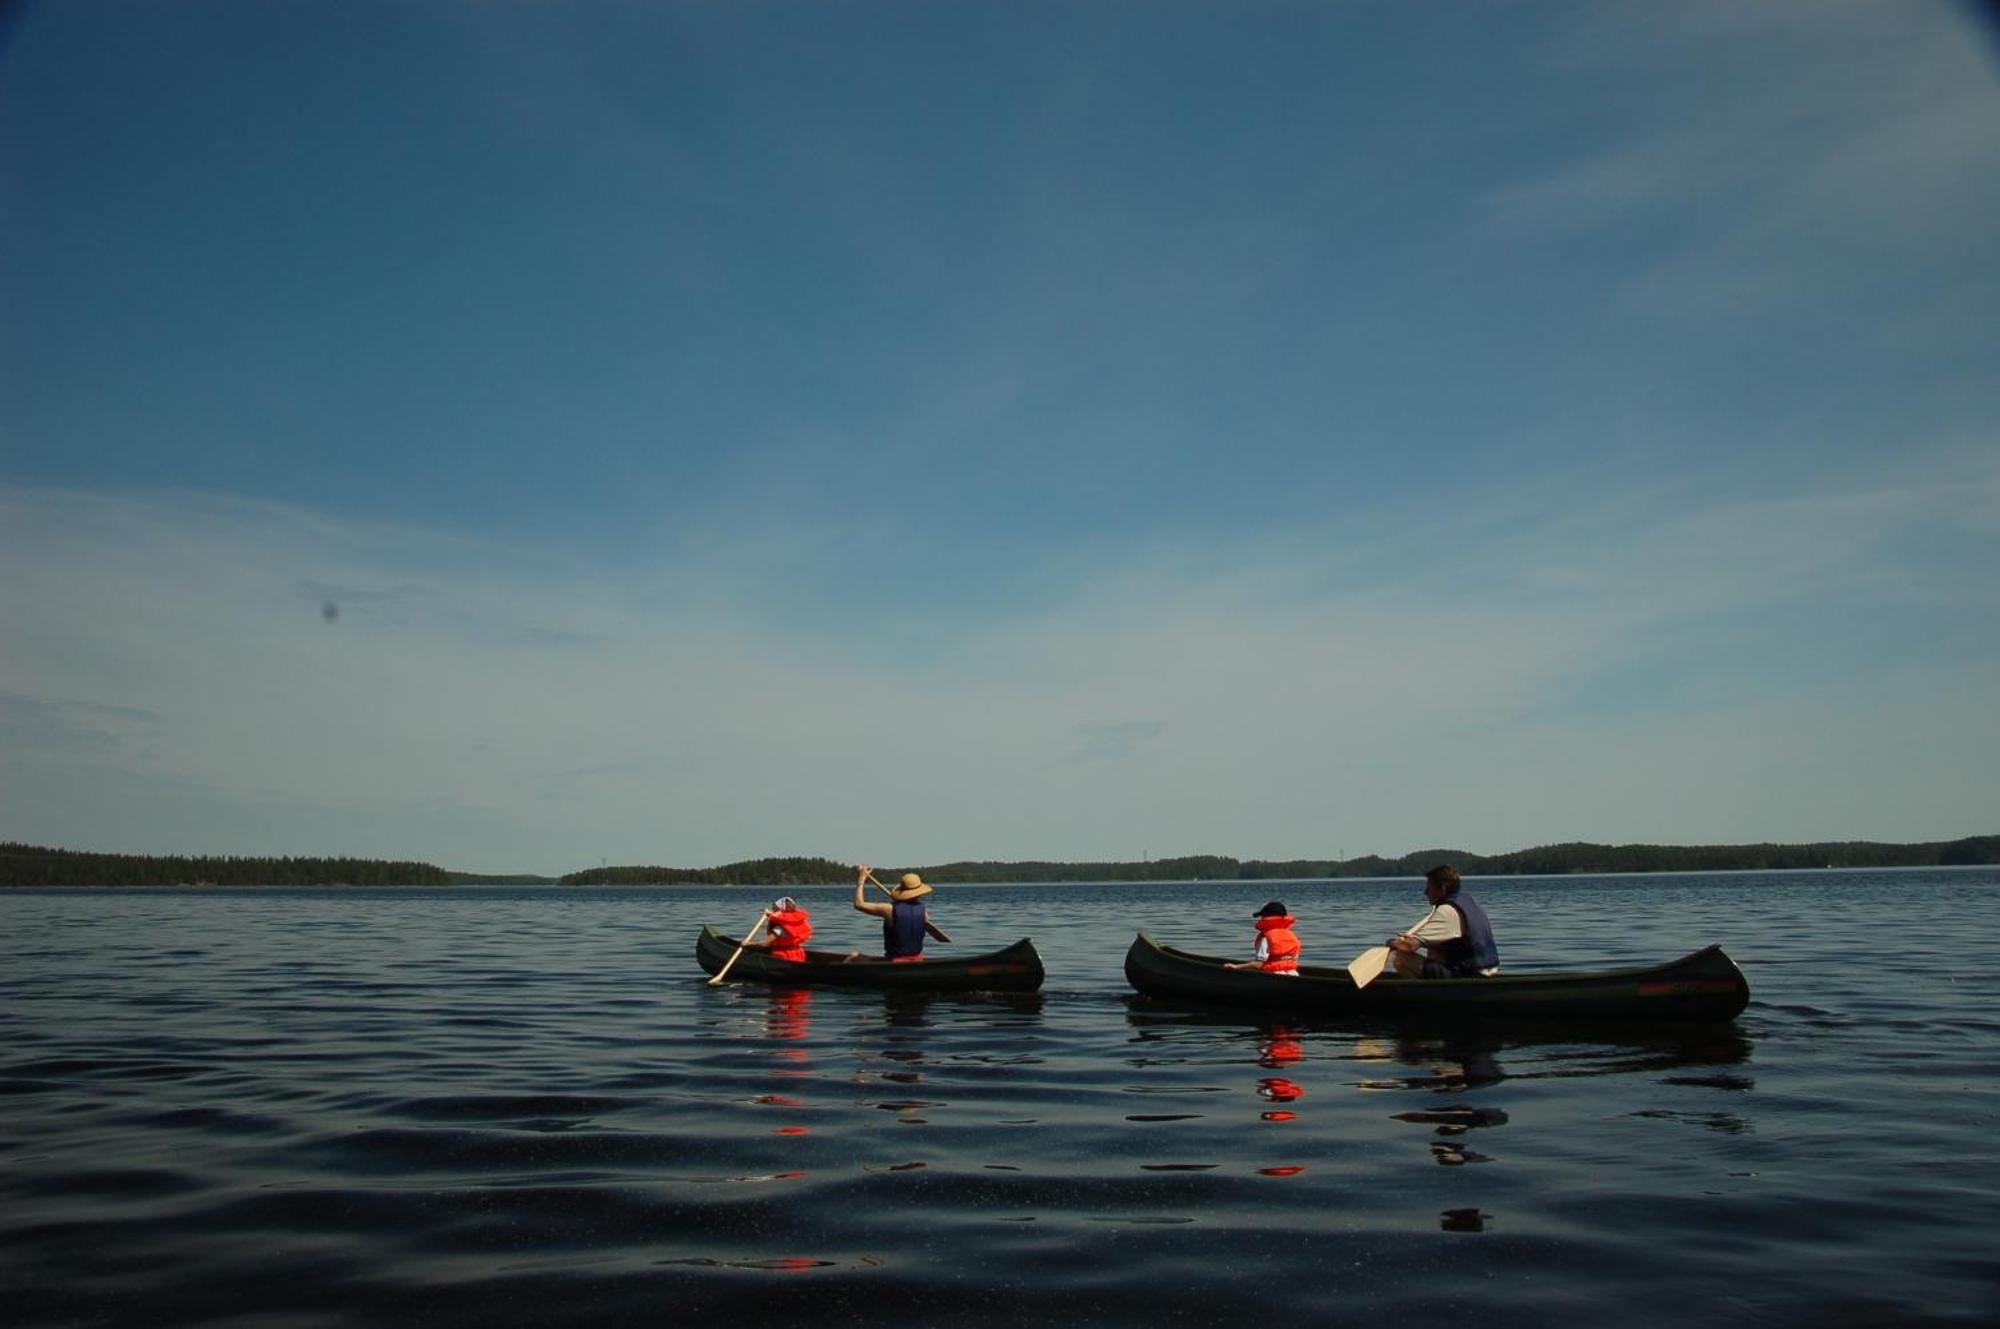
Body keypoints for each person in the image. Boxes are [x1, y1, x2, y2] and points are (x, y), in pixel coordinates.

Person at [1387, 865, 1499, 979]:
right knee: (1433, 950)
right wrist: (1421, 941)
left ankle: (1420, 993)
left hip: (1469, 974)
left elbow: (1410, 946)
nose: (1425, 892)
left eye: (1429, 887)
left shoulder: (1447, 911)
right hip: (1487, 970)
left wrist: (1392, 942)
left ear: (1443, 888)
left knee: (1400, 957)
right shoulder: (1469, 902)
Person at [853, 863, 933, 962]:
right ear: (919, 892)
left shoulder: (889, 909)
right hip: (918, 960)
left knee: (854, 956)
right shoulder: (924, 912)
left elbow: (858, 904)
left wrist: (861, 879)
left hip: (895, 961)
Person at [1225, 900, 1301, 976]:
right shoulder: (1291, 935)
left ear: (1266, 917)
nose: (1261, 918)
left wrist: (1236, 967)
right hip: (1293, 974)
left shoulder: (1266, 937)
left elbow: (1258, 964)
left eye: (1262, 916)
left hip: (1273, 976)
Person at [748, 896, 812, 962]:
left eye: (774, 909)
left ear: (780, 910)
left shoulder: (779, 929)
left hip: (784, 956)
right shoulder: (799, 923)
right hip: (799, 955)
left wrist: (748, 944)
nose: (773, 911)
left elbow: (765, 943)